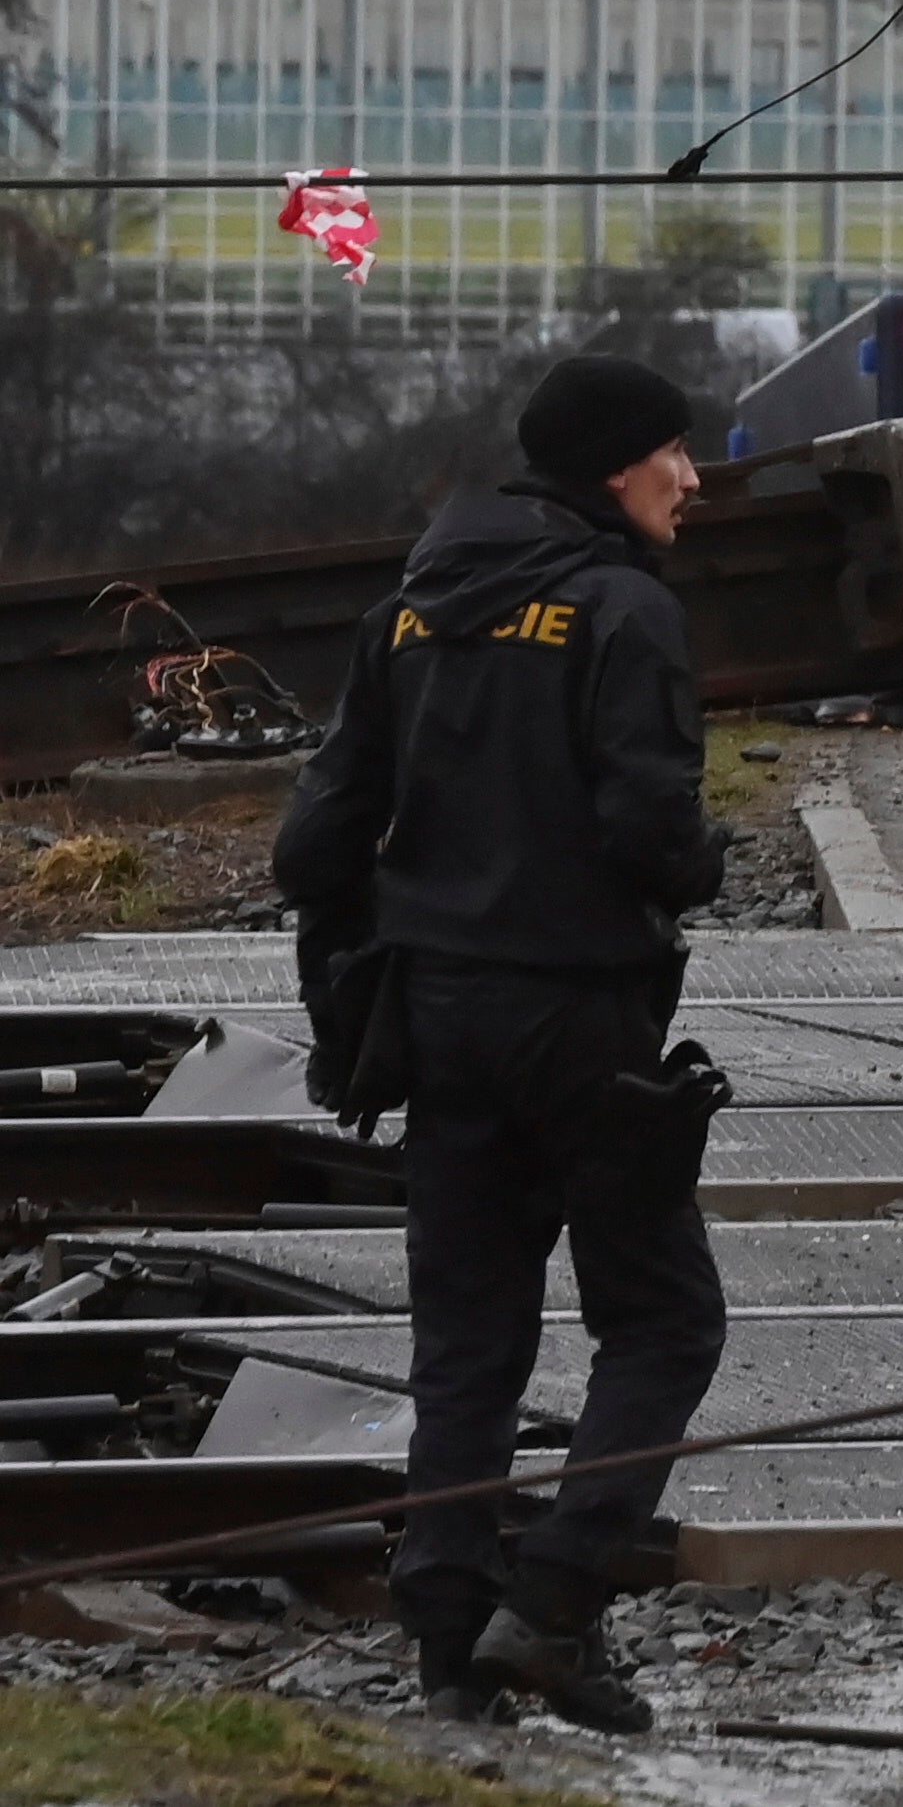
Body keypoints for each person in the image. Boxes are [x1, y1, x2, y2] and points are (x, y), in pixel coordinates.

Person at [273, 355, 731, 1734]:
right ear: (612, 466)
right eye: (673, 451)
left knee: (467, 1343)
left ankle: (451, 1649)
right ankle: (558, 1598)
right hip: (585, 1015)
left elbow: (311, 845)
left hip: (438, 1024)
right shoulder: (622, 611)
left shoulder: (408, 613)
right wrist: (701, 857)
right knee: (662, 1317)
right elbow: (654, 832)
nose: (695, 477)